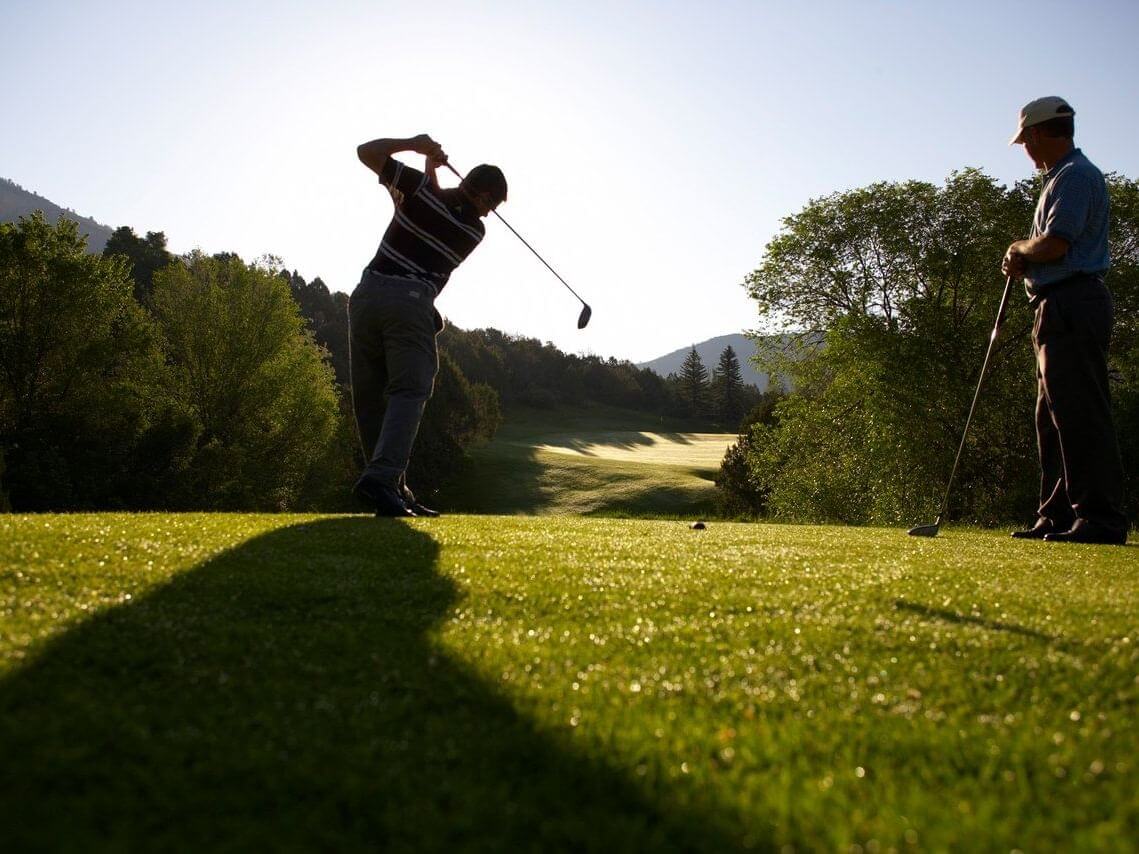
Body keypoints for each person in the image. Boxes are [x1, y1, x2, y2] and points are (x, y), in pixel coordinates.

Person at [349, 134, 507, 516]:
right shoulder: (473, 230)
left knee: (371, 399)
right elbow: (436, 203)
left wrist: (416, 147)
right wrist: (427, 162)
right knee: (409, 390)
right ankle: (383, 480)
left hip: (366, 297)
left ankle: (392, 490)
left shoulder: (419, 190)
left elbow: (367, 153)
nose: (489, 214)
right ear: (483, 196)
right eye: (492, 205)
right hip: (408, 303)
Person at [1002, 97, 1127, 544]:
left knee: (1079, 413)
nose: (1024, 149)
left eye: (1024, 141)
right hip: (1056, 306)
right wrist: (1024, 257)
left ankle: (1100, 518)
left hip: (1073, 301)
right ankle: (1055, 515)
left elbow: (1055, 245)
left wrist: (1019, 248)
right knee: (1052, 417)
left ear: (1036, 134)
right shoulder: (1060, 177)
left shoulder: (1075, 176)